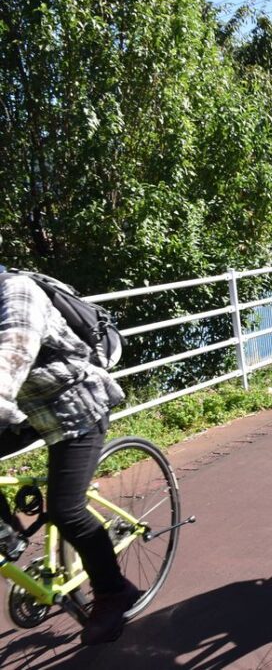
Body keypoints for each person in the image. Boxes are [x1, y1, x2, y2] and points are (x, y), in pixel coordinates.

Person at [0, 257, 140, 646]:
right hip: (28, 412)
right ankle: (8, 534)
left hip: (75, 407)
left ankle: (113, 591)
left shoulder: (16, 292)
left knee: (66, 510)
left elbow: (13, 351)